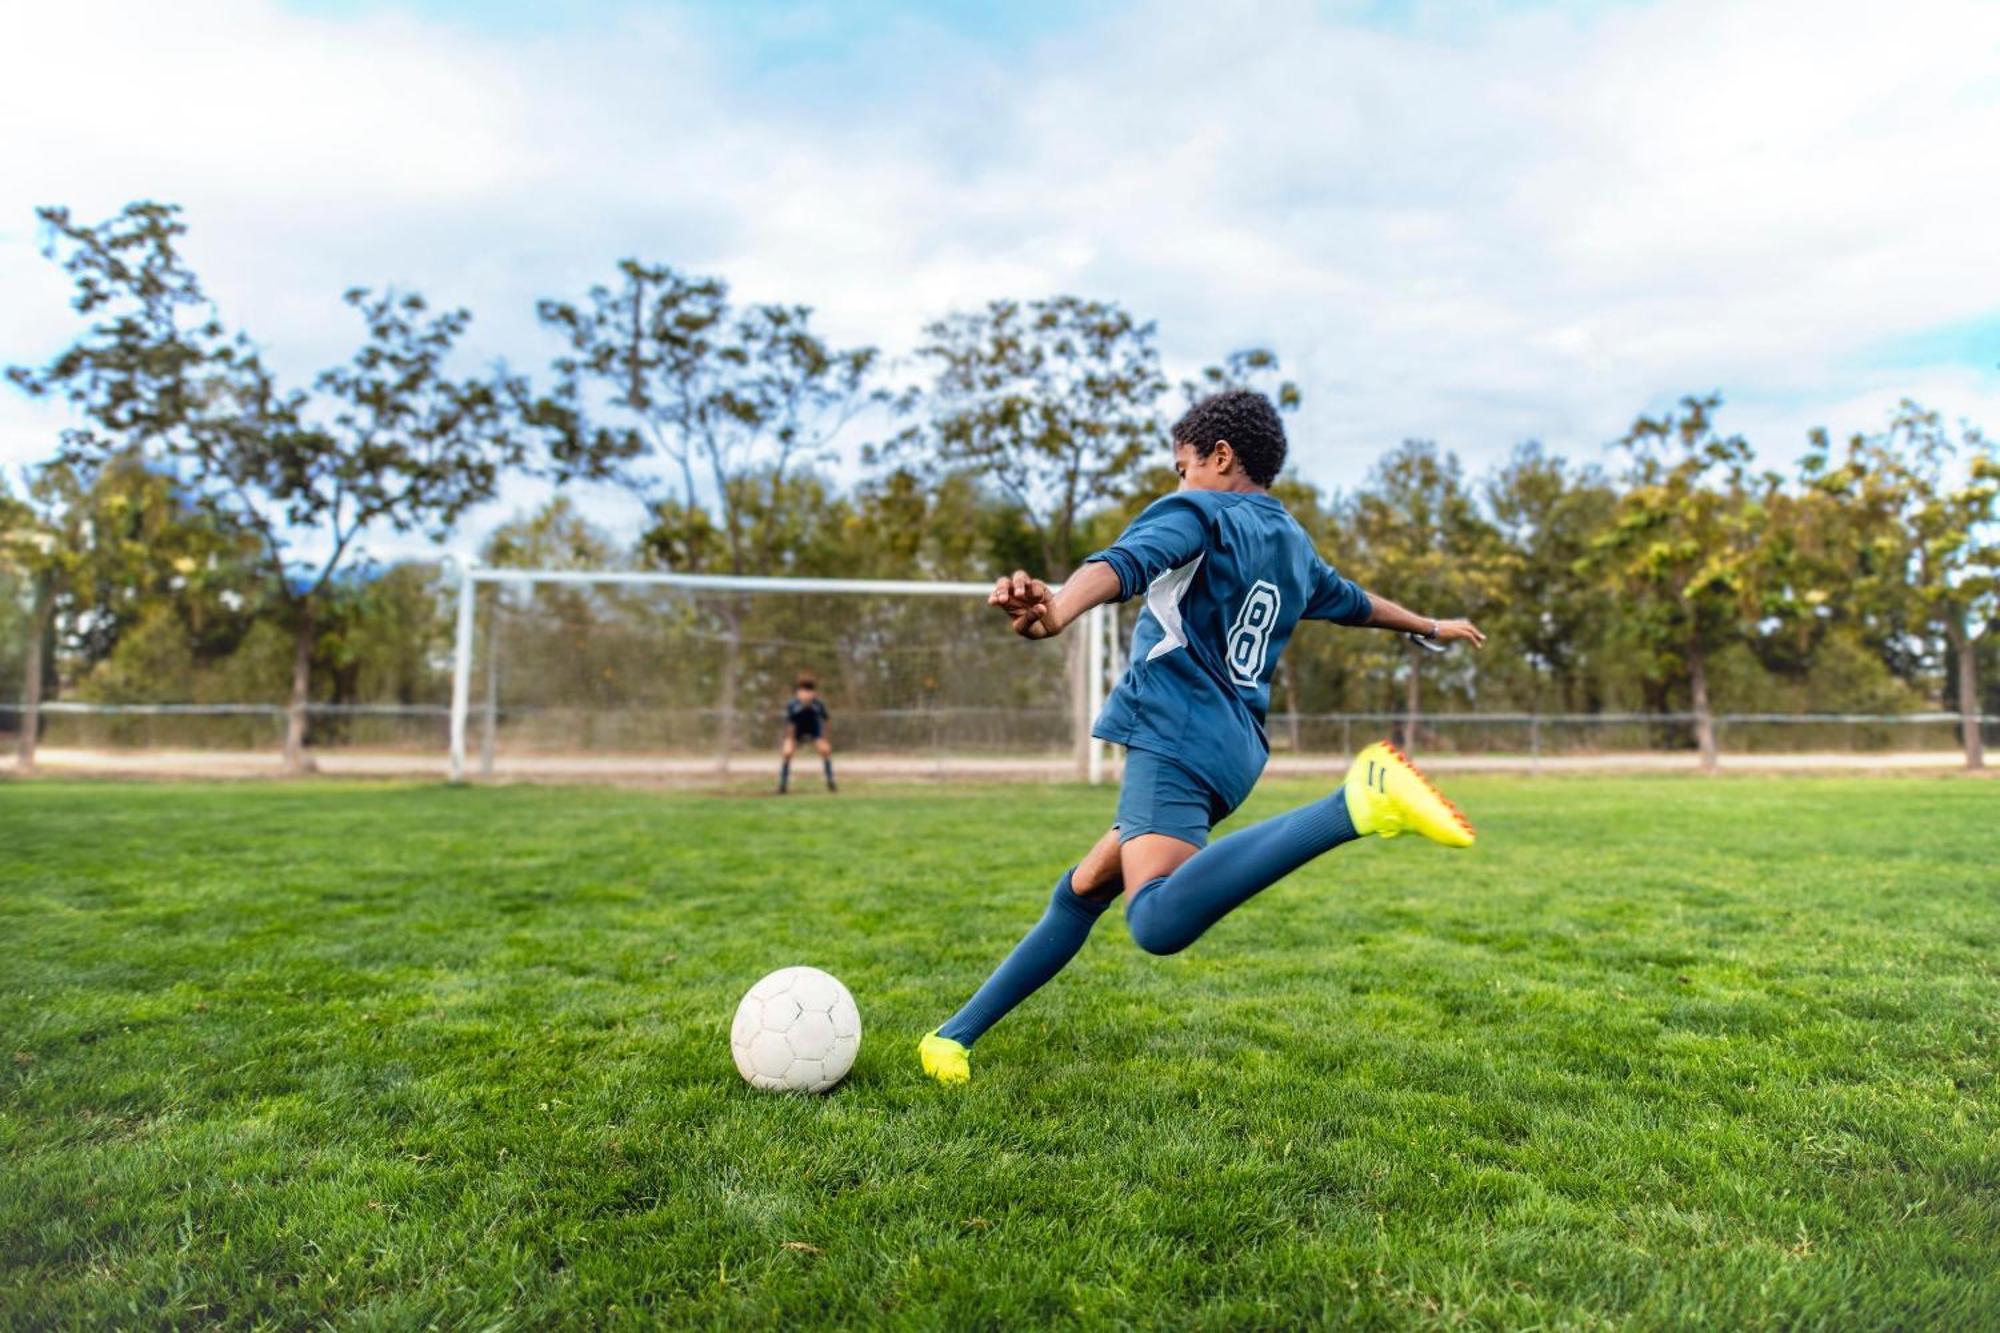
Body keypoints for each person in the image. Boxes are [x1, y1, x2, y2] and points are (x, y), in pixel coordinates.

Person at [919, 389, 1486, 1084]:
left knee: (1155, 919)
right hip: (1233, 750)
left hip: (1175, 733)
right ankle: (953, 1036)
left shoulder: (1199, 512)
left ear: (1220, 457)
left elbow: (1122, 562)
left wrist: (1056, 610)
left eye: (1182, 464)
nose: (1177, 480)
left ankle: (1353, 805)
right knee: (1086, 886)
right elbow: (1356, 604)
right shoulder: (1291, 543)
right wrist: (1431, 626)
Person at [778, 676, 836, 794]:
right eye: (803, 691)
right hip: (797, 731)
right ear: (798, 692)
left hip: (814, 730)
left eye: (809, 691)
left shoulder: (818, 704)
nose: (806, 694)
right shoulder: (793, 704)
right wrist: (790, 739)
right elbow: (790, 723)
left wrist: (825, 738)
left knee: (825, 751)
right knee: (787, 753)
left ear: (813, 693)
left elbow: (826, 719)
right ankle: (783, 785)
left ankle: (831, 782)